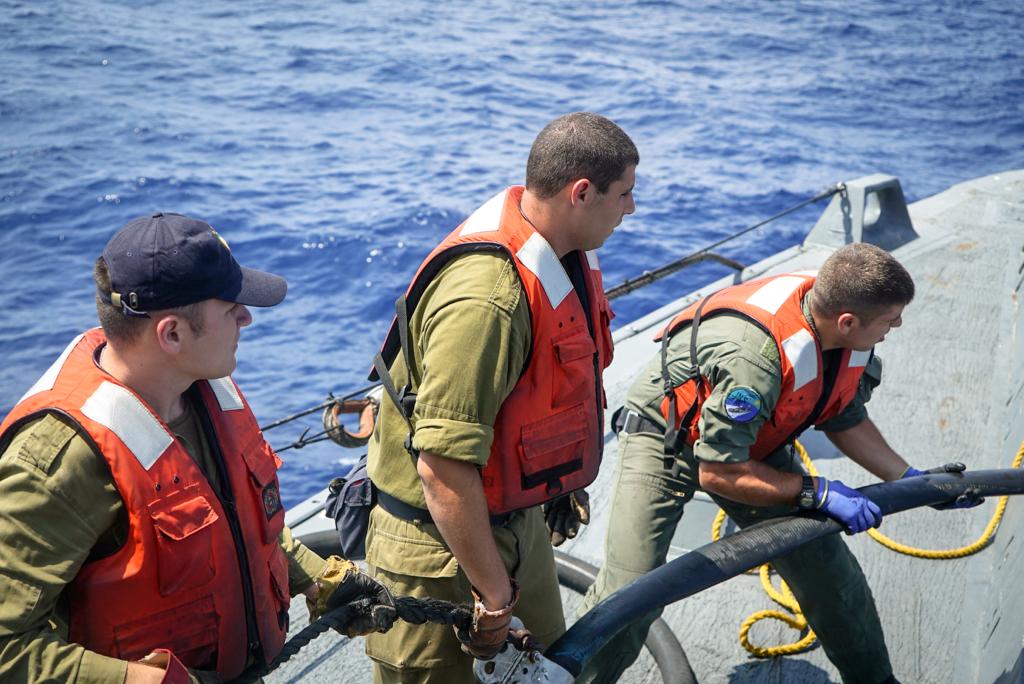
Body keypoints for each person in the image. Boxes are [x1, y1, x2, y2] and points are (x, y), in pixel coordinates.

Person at [0, 213, 396, 684]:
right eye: (230, 307)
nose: (246, 316)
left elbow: (234, 523)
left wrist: (315, 578)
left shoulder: (202, 389)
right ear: (171, 334)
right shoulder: (61, 460)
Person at [578, 242, 980, 684]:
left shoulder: (845, 333)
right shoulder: (756, 361)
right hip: (668, 440)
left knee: (831, 575)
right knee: (632, 593)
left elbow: (845, 417)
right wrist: (815, 491)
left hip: (750, 446)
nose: (897, 325)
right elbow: (718, 472)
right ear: (847, 322)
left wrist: (911, 481)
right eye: (890, 319)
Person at [363, 112, 638, 683]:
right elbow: (441, 469)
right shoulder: (489, 299)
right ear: (580, 193)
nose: (631, 210)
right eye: (625, 195)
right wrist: (492, 596)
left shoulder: (561, 248)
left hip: (517, 527)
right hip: (441, 553)